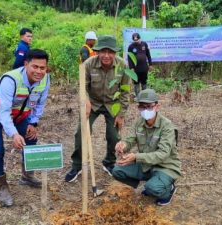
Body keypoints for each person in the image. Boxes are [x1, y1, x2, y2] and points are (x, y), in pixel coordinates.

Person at [0, 49, 50, 207]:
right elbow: (3, 113)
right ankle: (1, 186)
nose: (38, 71)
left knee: (31, 139)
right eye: (34, 67)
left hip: (19, 113)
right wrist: (14, 134)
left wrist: (33, 122)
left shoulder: (45, 80)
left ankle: (27, 176)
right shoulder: (11, 79)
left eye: (42, 68)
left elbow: (40, 104)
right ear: (26, 64)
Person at [65, 35, 131, 182]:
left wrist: (121, 114)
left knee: (114, 136)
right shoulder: (88, 64)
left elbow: (126, 91)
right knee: (81, 133)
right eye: (103, 51)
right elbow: (82, 86)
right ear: (97, 51)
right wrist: (86, 101)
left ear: (115, 53)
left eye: (110, 52)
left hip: (112, 104)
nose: (106, 55)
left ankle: (109, 162)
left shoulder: (123, 66)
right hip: (92, 103)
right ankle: (77, 165)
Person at [112, 89, 181, 206]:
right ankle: (152, 183)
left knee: (153, 188)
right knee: (117, 170)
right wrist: (123, 145)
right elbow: (130, 140)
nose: (145, 110)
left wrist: (136, 157)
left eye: (149, 106)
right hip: (146, 164)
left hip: (165, 166)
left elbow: (163, 154)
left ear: (157, 106)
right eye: (141, 107)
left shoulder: (167, 126)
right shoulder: (138, 122)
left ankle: (168, 189)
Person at [128, 33, 152, 97]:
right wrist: (131, 67)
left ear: (140, 38)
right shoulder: (131, 46)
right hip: (135, 69)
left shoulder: (144, 44)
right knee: (136, 83)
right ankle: (138, 97)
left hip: (144, 67)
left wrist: (150, 64)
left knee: (144, 82)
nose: (136, 41)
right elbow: (129, 58)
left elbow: (148, 55)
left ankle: (144, 96)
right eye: (134, 40)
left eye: (137, 40)